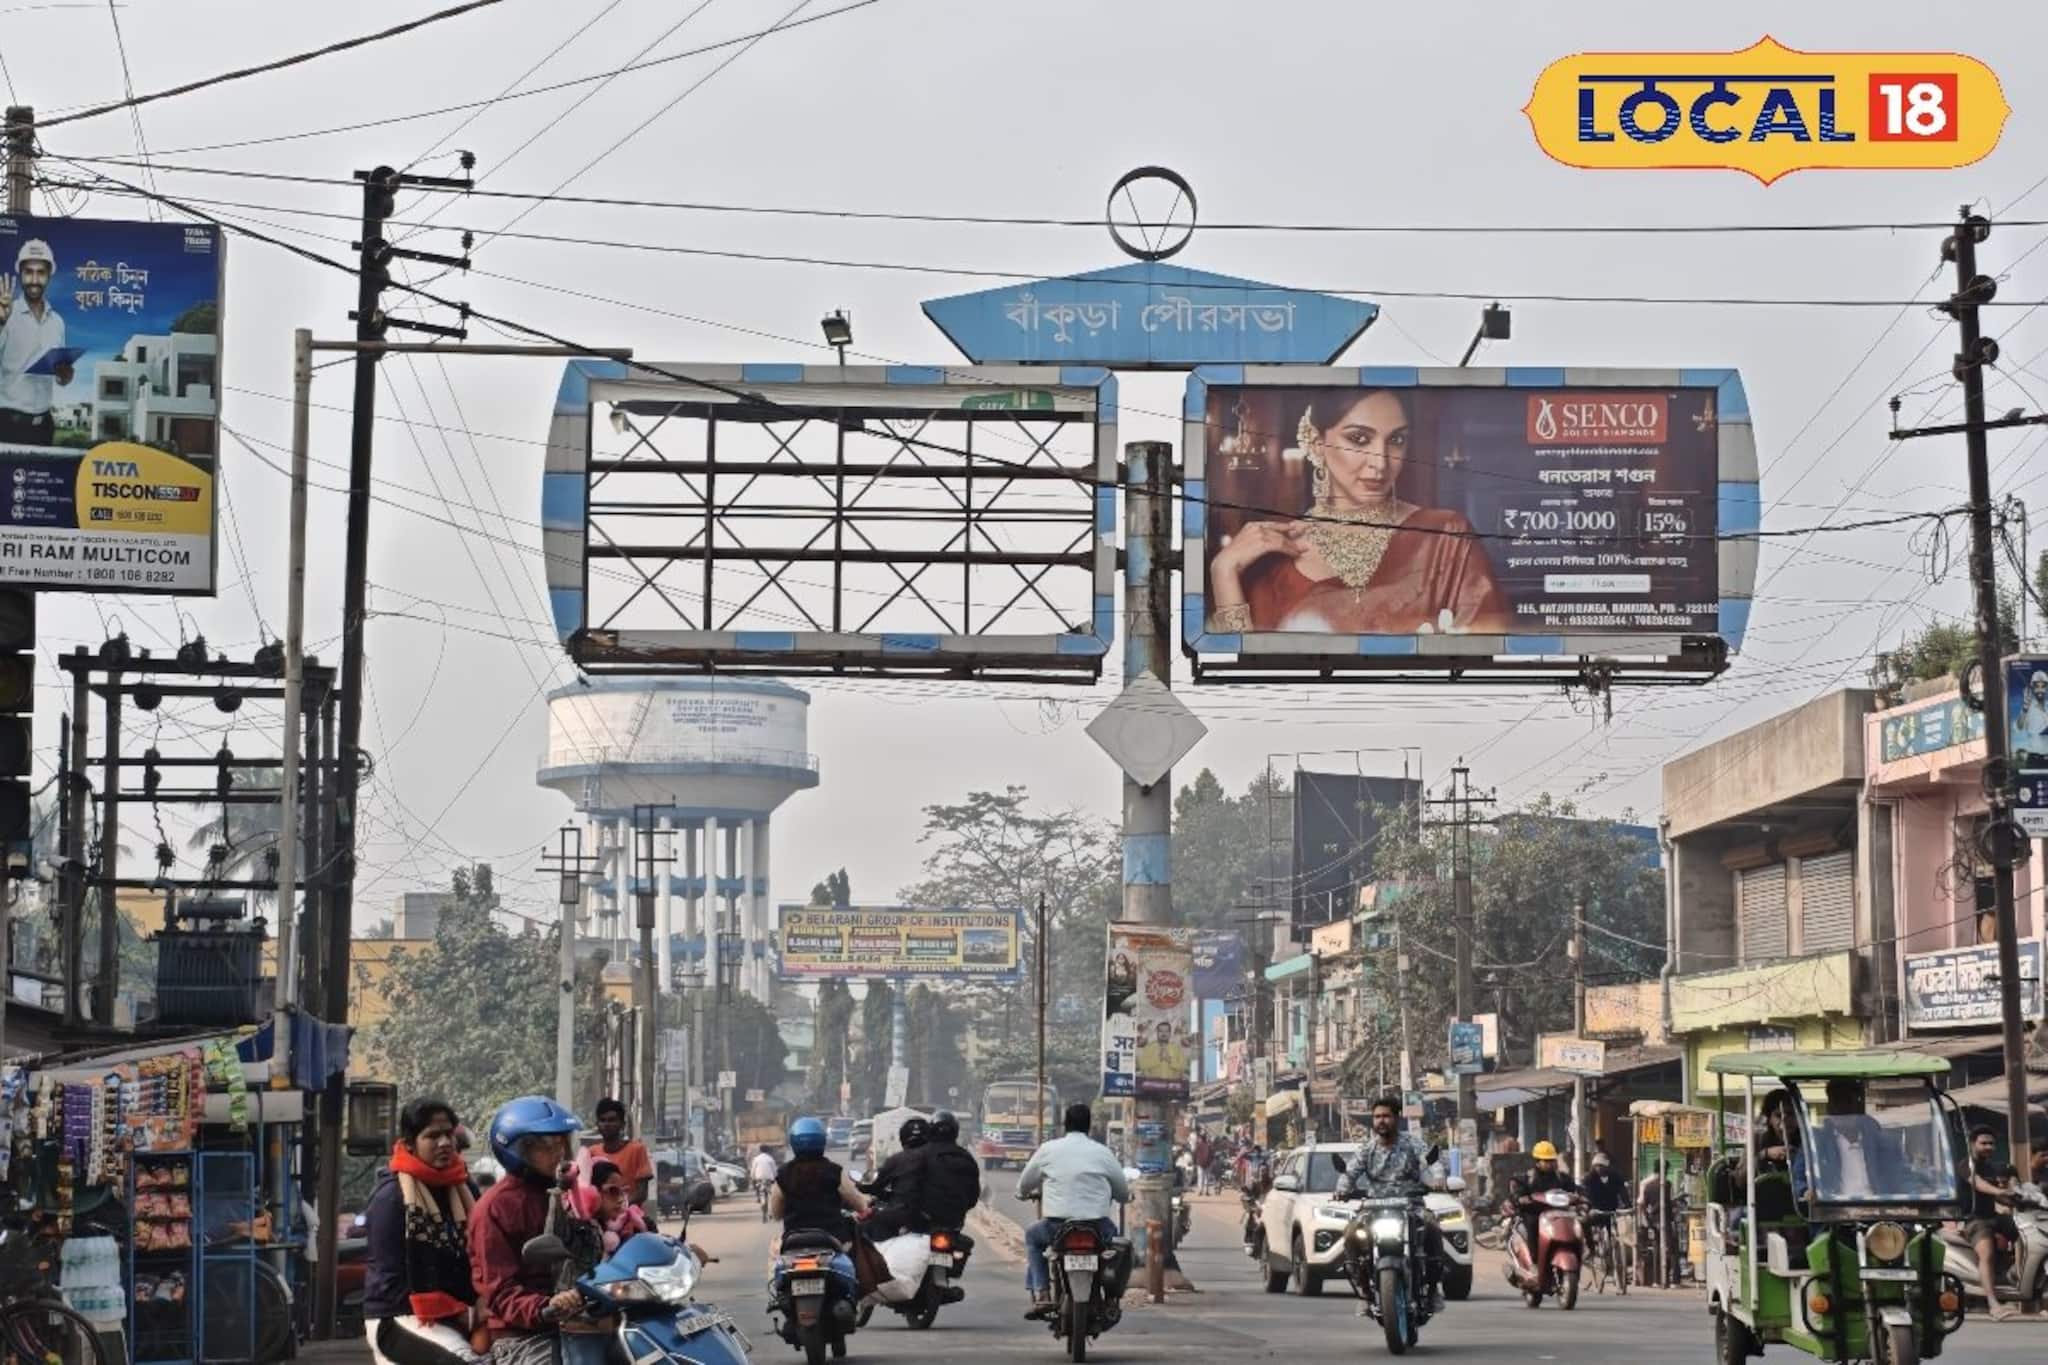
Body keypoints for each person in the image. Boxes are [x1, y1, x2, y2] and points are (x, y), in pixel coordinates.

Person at [1205, 389, 1511, 635]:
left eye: (1396, 440)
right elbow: (1252, 675)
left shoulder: (1445, 536)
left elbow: (1485, 650)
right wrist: (1224, 573)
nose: (1380, 462)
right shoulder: (1273, 554)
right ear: (1316, 441)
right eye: (1359, 439)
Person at [363, 1097, 487, 1365]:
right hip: (400, 1317)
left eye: (448, 1134)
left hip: (462, 1313)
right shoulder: (393, 1197)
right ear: (409, 1143)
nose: (444, 1143)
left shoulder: (465, 1187)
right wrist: (460, 1312)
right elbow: (393, 1283)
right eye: (432, 1136)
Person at [468, 1096, 587, 1365]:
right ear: (517, 1149)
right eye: (546, 1146)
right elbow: (500, 1291)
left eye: (561, 1142)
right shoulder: (496, 1208)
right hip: (524, 1336)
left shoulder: (564, 1193)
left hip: (576, 1323)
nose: (559, 1153)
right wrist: (546, 1306)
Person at [1016, 1103, 1130, 1320]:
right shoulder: (1103, 1152)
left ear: (1064, 1125)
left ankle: (1042, 1292)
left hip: (1057, 1227)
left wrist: (1022, 1194)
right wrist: (1121, 1196)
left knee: (1032, 1237)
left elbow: (1024, 1184)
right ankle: (1112, 1298)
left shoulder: (1048, 1149)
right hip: (1098, 1226)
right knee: (1119, 1250)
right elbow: (1122, 1191)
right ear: (1090, 1126)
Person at [1335, 1093, 1446, 1311]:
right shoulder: (1367, 1149)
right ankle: (1365, 1292)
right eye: (1377, 1117)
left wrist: (1437, 1180)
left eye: (1386, 1116)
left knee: (1433, 1228)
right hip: (1375, 1207)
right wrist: (1342, 1189)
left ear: (1396, 1118)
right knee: (1350, 1234)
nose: (1381, 1121)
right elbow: (1349, 1173)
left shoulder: (1413, 1144)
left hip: (1410, 1205)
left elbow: (1431, 1163)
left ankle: (1433, 1291)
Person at [0, 238, 72, 448]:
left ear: (49, 276)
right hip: (7, 425)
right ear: (20, 275)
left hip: (43, 428)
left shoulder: (57, 322)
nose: (34, 279)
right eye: (28, 272)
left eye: (40, 272)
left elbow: (58, 372)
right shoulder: (6, 314)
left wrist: (64, 377)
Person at [768, 1116, 868, 1246]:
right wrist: (864, 1204)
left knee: (776, 1260)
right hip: (834, 1239)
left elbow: (776, 1213)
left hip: (793, 1241)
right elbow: (857, 1202)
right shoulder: (834, 1171)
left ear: (793, 1141)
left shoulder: (783, 1174)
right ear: (822, 1140)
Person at [1965, 1126, 2022, 1320]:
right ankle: (1993, 1303)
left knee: (2029, 1234)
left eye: (1991, 1143)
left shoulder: (1992, 1167)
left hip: (1994, 1216)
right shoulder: (1966, 1164)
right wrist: (1999, 1192)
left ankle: (2018, 1276)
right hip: (1973, 1219)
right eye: (1984, 1143)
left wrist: (2017, 1198)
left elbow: (2000, 1195)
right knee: (1987, 1252)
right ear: (1973, 1144)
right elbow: (1978, 1184)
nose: (1988, 1147)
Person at [576, 1097, 654, 1210]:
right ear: (597, 1124)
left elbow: (641, 1193)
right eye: (603, 1120)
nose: (607, 1124)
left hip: (631, 1219)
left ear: (622, 1124)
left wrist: (619, 1206)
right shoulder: (592, 1152)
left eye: (612, 1120)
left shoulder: (637, 1150)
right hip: (601, 1220)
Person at [1509, 1139, 1579, 1264]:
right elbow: (1517, 1190)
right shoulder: (1528, 1178)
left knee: (1577, 1223)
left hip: (1557, 1213)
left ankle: (1581, 1252)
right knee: (1532, 1223)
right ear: (1537, 1162)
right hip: (1535, 1213)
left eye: (1552, 1160)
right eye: (1546, 1161)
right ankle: (1534, 1258)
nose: (1550, 1164)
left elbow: (1574, 1190)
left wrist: (1581, 1198)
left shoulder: (1562, 1178)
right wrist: (1521, 1198)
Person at [864, 1116, 932, 1240]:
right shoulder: (942, 1159)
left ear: (902, 1138)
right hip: (935, 1217)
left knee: (867, 1228)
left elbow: (874, 1185)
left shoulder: (897, 1159)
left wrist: (864, 1186)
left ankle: (879, 1259)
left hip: (903, 1214)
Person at [919, 1110, 983, 1232]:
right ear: (955, 1132)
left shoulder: (918, 1155)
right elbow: (973, 1196)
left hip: (924, 1220)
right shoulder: (965, 1156)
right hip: (955, 1221)